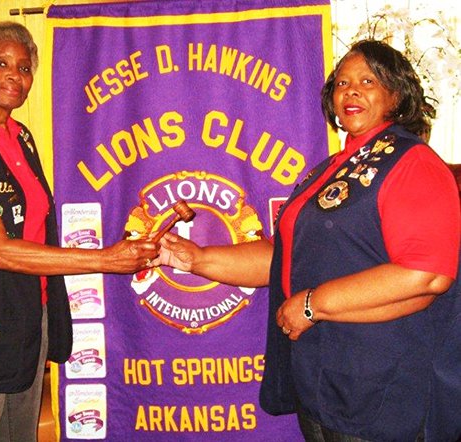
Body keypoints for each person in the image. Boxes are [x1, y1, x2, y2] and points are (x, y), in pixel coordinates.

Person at [156, 39, 460, 441]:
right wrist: (194, 258)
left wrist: (315, 304)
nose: (350, 91)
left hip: (385, 390)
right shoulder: (331, 168)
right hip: (326, 383)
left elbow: (425, 275)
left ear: (397, 94)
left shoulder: (413, 162)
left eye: (367, 81)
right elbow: (286, 256)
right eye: (342, 83)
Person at [0, 22, 158, 442]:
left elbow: (36, 224)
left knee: (21, 432)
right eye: (1, 63)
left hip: (32, 308)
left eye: (25, 67)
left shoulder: (19, 136)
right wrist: (105, 259)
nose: (16, 74)